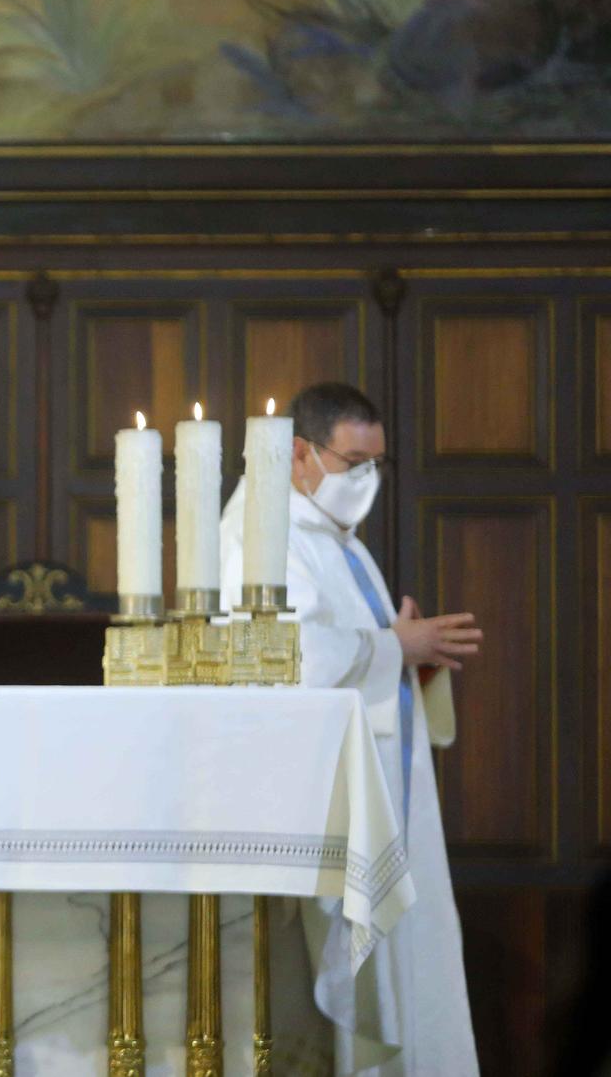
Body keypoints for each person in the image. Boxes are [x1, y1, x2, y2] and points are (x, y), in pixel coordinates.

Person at [221, 381, 482, 1076]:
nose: (366, 479)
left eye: (377, 464)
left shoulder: (336, 539)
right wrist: (400, 646)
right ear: (300, 454)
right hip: (332, 810)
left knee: (417, 973)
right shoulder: (262, 534)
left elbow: (370, 647)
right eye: (353, 461)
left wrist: (413, 659)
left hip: (388, 802)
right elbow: (295, 658)